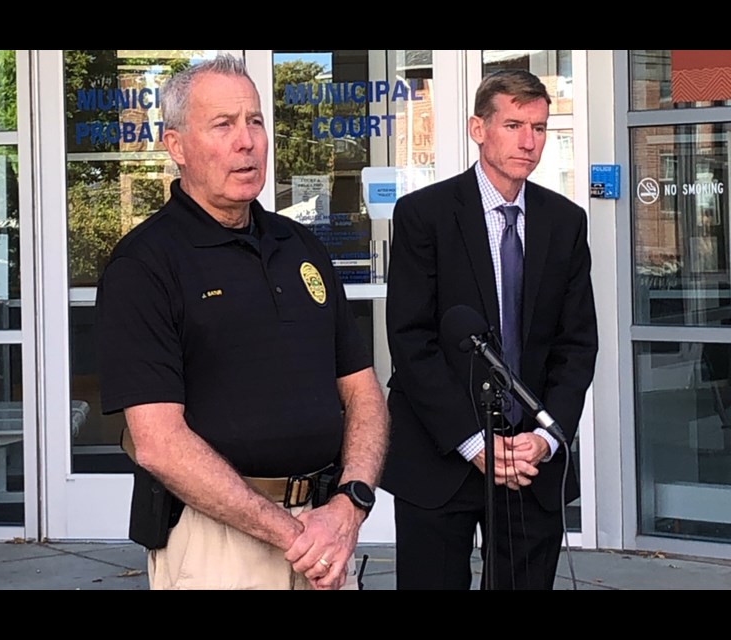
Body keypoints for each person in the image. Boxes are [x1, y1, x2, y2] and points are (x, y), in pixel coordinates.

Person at [96, 54, 388, 590]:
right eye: (223, 125)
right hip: (221, 547)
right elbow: (159, 442)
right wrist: (293, 534)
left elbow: (363, 391)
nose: (247, 140)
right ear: (177, 146)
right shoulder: (145, 265)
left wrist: (349, 507)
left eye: (254, 121)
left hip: (326, 530)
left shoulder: (301, 246)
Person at [381, 69, 598, 590]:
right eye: (514, 125)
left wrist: (547, 437)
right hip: (442, 452)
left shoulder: (564, 222)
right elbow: (411, 341)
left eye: (540, 128)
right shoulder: (423, 215)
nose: (528, 141)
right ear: (478, 128)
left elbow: (576, 345)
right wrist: (474, 441)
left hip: (529, 463)